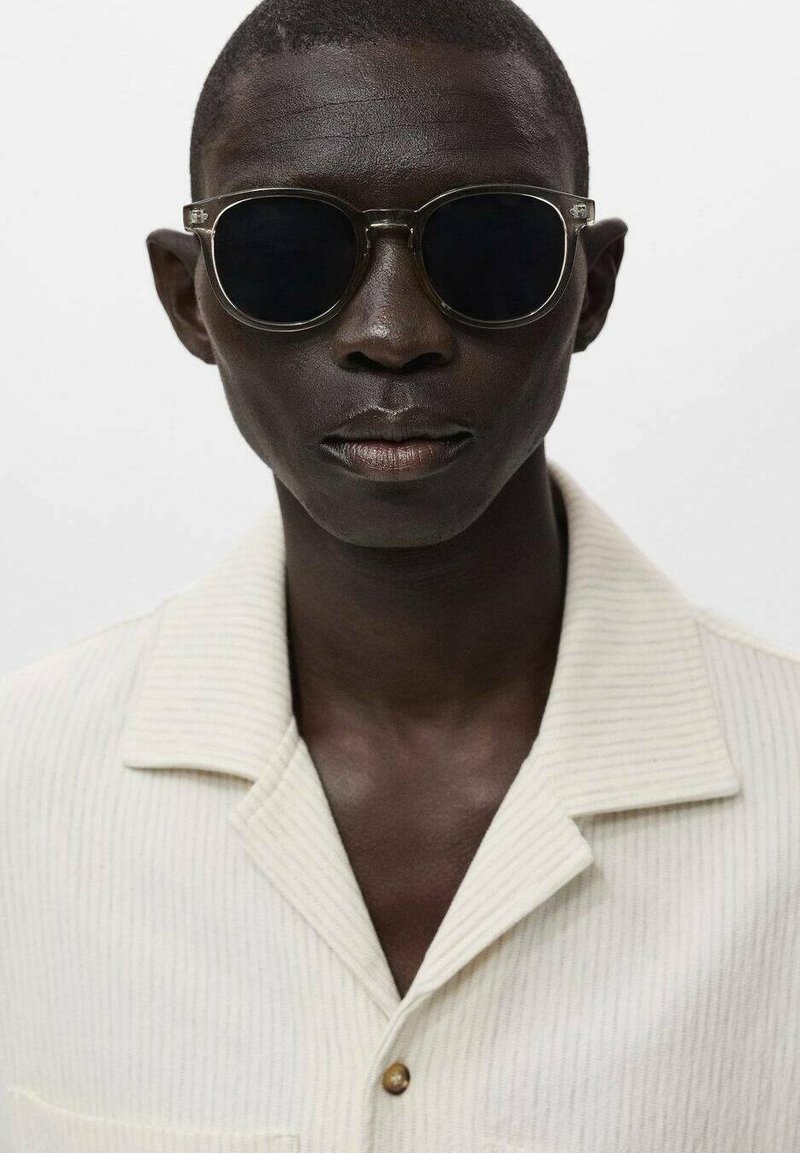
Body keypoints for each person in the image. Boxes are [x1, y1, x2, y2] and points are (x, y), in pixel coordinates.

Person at [1, 1, 798, 1150]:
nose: (391, 330)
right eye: (286, 251)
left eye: (489, 245)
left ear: (590, 288)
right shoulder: (22, 791)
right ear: (188, 298)